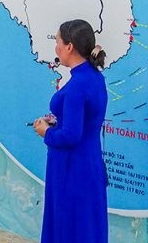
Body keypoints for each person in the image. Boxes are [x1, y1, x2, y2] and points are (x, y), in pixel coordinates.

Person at [32, 19, 108, 243]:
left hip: (71, 169)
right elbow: (85, 123)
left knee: (67, 229)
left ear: (69, 47)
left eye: (57, 41)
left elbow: (71, 136)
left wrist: (46, 132)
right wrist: (59, 122)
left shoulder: (76, 87)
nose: (55, 47)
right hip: (90, 165)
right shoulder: (95, 78)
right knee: (86, 228)